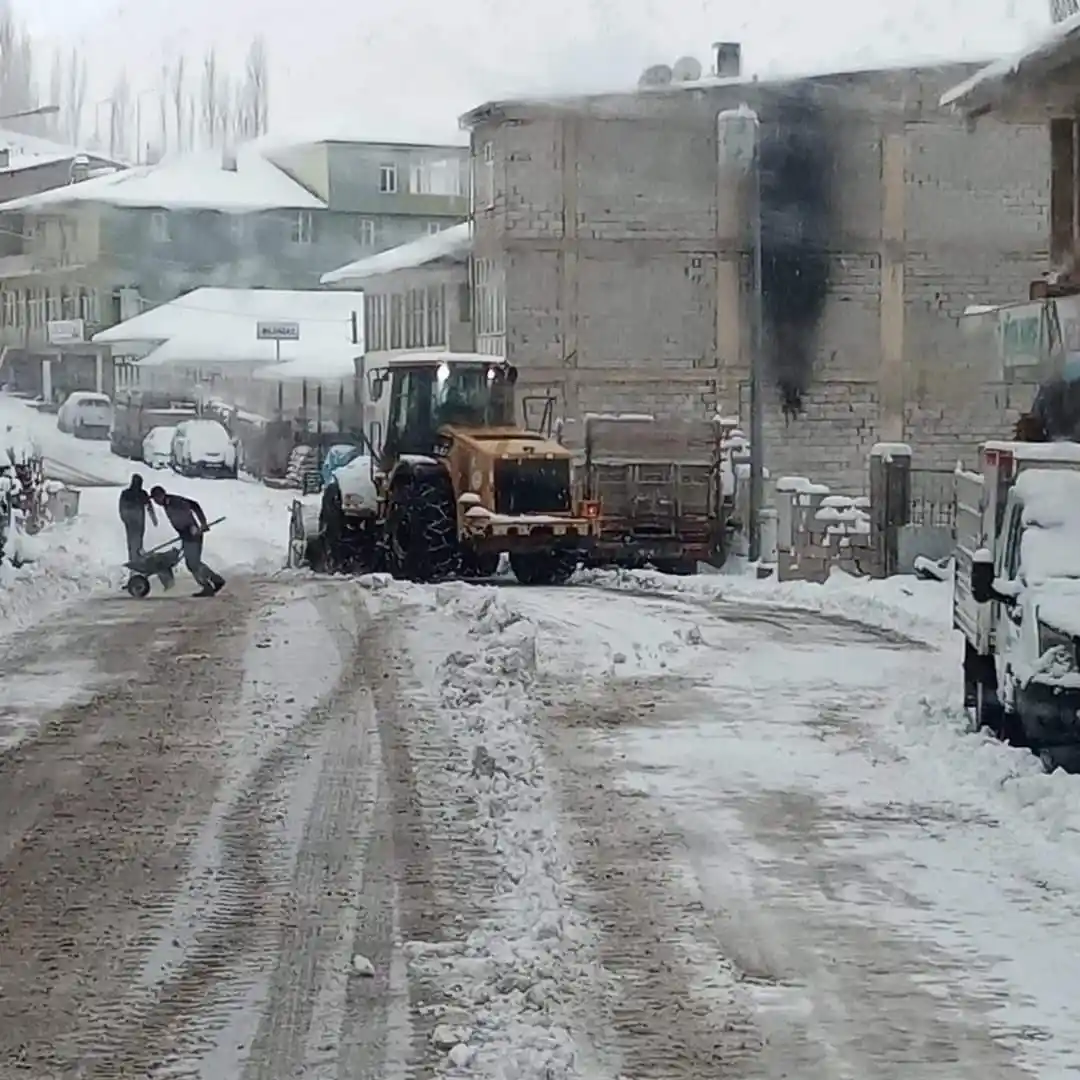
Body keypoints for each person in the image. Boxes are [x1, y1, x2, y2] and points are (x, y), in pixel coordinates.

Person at [149, 485, 225, 596]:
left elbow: (194, 505)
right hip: (186, 535)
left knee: (192, 564)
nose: (155, 502)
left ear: (161, 495)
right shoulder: (167, 504)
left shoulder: (175, 501)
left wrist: (202, 523)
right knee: (194, 563)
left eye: (156, 498)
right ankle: (216, 581)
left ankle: (208, 586)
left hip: (193, 533)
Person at [118, 474, 157, 562]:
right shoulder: (127, 493)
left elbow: (149, 505)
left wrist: (153, 517)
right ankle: (133, 559)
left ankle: (136, 558)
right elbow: (122, 507)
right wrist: (124, 517)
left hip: (138, 520)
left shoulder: (141, 493)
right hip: (131, 521)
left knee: (137, 539)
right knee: (133, 540)